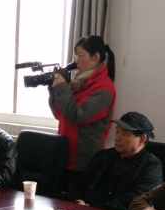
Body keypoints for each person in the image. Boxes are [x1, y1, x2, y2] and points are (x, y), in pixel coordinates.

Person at [63, 111, 163, 210]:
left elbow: (137, 199)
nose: (117, 138)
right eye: (117, 131)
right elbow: (78, 183)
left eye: (124, 134)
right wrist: (77, 200)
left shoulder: (151, 165)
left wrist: (94, 208)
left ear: (142, 139)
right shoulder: (103, 156)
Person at [49, 35, 117, 179]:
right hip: (66, 153)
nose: (76, 61)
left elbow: (77, 116)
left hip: (83, 161)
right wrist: (53, 90)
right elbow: (60, 114)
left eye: (80, 56)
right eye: (76, 56)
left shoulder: (103, 89)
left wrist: (62, 89)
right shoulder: (79, 82)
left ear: (96, 57)